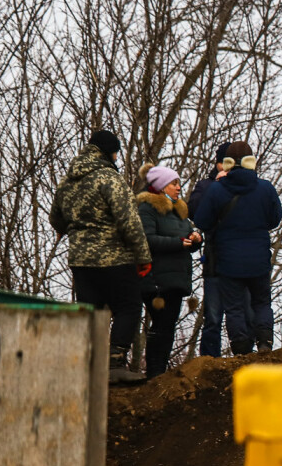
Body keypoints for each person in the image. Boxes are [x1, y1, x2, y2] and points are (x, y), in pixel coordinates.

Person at [49, 129, 152, 383]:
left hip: (81, 260)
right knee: (128, 306)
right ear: (110, 152)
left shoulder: (68, 181)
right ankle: (115, 364)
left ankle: (88, 365)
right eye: (116, 152)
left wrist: (74, 230)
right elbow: (129, 221)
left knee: (92, 312)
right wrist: (143, 256)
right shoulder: (109, 178)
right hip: (114, 257)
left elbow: (55, 218)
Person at [193, 140, 282, 354]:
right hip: (259, 258)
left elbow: (202, 221)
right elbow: (275, 219)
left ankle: (241, 349)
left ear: (227, 163)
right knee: (261, 303)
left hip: (228, 260)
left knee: (234, 308)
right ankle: (264, 342)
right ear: (252, 161)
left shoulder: (217, 190)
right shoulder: (265, 188)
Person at [135, 164, 202, 378]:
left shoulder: (179, 210)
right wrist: (178, 243)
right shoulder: (147, 208)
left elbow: (188, 236)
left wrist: (195, 239)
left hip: (176, 278)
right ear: (162, 186)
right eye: (174, 183)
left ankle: (158, 372)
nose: (178, 187)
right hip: (156, 279)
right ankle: (154, 373)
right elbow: (146, 239)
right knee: (162, 325)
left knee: (168, 325)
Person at [189, 142, 250, 357]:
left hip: (241, 259)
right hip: (215, 259)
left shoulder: (247, 185)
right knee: (213, 316)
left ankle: (245, 355)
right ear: (219, 164)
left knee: (245, 312)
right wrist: (216, 187)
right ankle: (208, 359)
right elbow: (194, 210)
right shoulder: (206, 185)